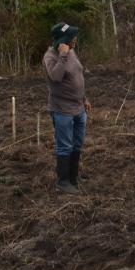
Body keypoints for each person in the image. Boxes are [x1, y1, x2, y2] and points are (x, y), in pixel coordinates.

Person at [43, 22, 91, 195]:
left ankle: (73, 177)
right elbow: (56, 77)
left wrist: (84, 98)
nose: (75, 39)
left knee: (77, 144)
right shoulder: (50, 57)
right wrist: (62, 55)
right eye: (72, 37)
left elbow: (78, 74)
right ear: (62, 40)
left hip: (79, 108)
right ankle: (63, 182)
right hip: (62, 110)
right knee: (65, 146)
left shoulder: (71, 51)